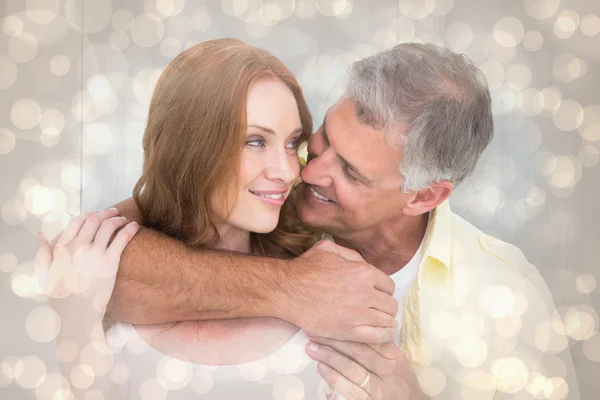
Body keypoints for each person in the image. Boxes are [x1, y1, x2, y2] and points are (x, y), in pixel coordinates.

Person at [45, 42, 580, 399]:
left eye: (348, 170)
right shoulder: (282, 223)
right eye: (318, 138)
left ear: (424, 196)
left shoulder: (505, 296)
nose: (304, 171)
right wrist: (287, 288)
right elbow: (101, 249)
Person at [38, 38, 397, 399]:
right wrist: (77, 326)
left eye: (291, 143)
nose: (288, 171)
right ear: (190, 146)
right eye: (255, 141)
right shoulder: (91, 276)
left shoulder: (335, 284)